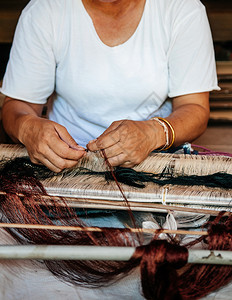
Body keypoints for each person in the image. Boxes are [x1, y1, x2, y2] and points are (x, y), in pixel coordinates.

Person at [1, 0, 219, 173]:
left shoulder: (182, 9)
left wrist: (152, 134)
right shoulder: (44, 10)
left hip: (153, 163)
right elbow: (18, 105)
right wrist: (28, 128)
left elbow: (194, 107)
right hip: (64, 168)